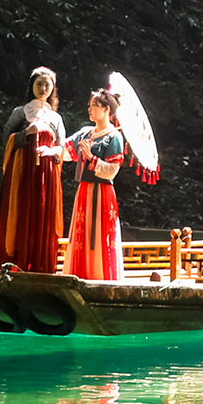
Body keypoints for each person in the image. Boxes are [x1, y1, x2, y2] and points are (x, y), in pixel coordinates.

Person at [0, 68, 68, 271]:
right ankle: (14, 262)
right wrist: (24, 134)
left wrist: (51, 152)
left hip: (45, 176)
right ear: (32, 85)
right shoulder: (19, 112)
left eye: (47, 85)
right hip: (21, 174)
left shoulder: (55, 118)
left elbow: (63, 148)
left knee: (42, 213)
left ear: (53, 89)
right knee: (20, 211)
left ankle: (39, 264)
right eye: (39, 84)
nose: (43, 89)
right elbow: (6, 139)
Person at [63, 83, 132, 280]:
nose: (89, 109)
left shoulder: (114, 137)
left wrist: (90, 157)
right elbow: (67, 150)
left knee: (100, 235)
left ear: (106, 109)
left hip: (102, 192)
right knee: (81, 233)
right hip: (84, 190)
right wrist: (51, 150)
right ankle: (79, 273)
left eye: (93, 105)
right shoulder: (87, 132)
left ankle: (100, 276)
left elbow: (111, 172)